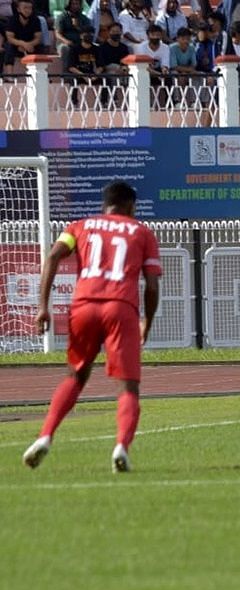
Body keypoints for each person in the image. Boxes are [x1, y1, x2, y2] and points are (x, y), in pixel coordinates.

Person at [22, 181, 162, 474]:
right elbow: (151, 284)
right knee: (128, 386)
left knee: (75, 375)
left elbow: (52, 256)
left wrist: (42, 307)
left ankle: (45, 435)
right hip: (120, 308)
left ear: (104, 204)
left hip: (83, 307)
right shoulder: (142, 232)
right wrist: (147, 319)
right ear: (131, 206)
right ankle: (121, 446)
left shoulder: (78, 227)